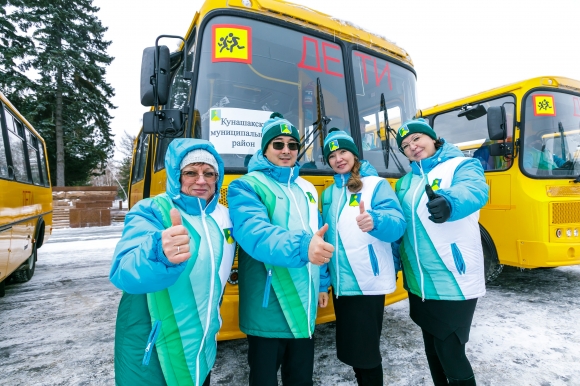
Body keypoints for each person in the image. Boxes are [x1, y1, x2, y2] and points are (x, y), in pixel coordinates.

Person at [110, 139, 235, 386]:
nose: (201, 180)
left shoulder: (224, 216)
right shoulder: (153, 210)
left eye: (209, 173)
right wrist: (158, 250)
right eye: (191, 172)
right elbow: (123, 270)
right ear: (176, 175)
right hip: (155, 341)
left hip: (202, 342)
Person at [227, 112, 333, 386]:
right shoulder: (246, 185)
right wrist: (302, 246)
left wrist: (322, 282)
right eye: (278, 144)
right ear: (264, 149)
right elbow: (254, 233)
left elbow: (318, 239)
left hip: (304, 301)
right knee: (264, 379)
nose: (286, 150)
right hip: (270, 302)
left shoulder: (308, 188)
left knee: (300, 378)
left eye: (292, 145)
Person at [393, 118, 489, 386]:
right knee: (432, 349)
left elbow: (475, 190)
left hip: (454, 280)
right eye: (405, 145)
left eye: (416, 139)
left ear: (432, 138)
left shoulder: (462, 165)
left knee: (450, 350)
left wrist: (448, 202)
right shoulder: (404, 183)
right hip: (420, 283)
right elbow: (401, 229)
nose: (412, 146)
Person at [320, 129, 406, 385]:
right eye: (332, 156)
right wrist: (324, 283)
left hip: (367, 281)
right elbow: (324, 239)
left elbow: (398, 225)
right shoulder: (329, 194)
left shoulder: (376, 185)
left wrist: (376, 221)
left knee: (366, 353)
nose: (338, 159)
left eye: (343, 151)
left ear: (354, 154)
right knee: (353, 351)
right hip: (343, 285)